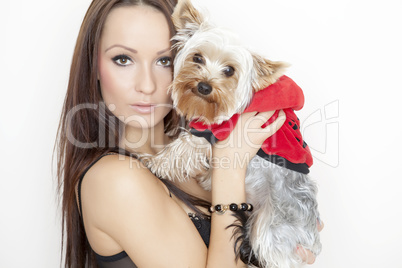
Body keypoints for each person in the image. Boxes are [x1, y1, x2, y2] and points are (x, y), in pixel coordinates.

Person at [55, 0, 323, 267]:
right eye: (123, 59)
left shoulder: (194, 163)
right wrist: (231, 168)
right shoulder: (116, 179)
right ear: (94, 66)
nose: (146, 85)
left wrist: (282, 238)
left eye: (164, 60)